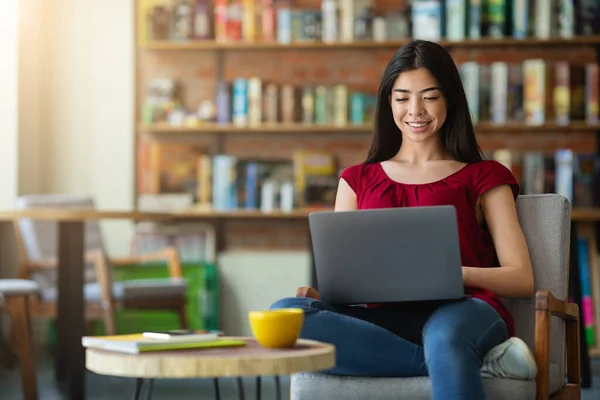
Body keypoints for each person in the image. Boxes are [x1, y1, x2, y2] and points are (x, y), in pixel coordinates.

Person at [270, 40, 538, 400]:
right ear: (388, 103)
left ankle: (456, 352)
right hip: (385, 319)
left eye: (430, 96)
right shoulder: (356, 180)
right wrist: (332, 293)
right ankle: (475, 361)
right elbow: (346, 274)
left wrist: (454, 275)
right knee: (285, 315)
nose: (416, 110)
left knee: (446, 338)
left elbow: (521, 278)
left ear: (450, 100)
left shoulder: (484, 175)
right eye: (402, 98)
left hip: (464, 309)